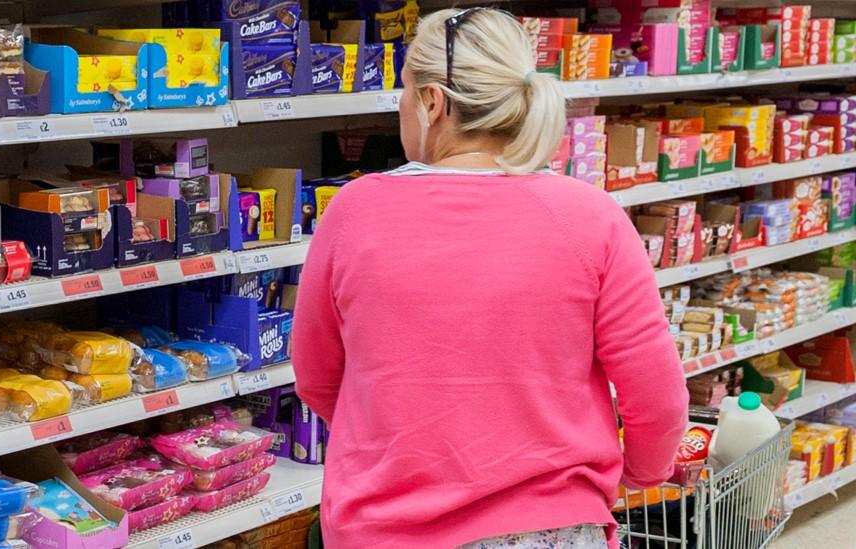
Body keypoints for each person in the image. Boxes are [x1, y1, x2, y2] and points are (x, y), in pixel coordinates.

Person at [291, 7, 688, 549]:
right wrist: (642, 473)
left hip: (385, 528)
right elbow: (655, 391)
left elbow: (316, 375)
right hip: (551, 527)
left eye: (404, 93)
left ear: (433, 103)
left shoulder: (355, 210)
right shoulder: (589, 216)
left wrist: (395, 438)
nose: (402, 108)